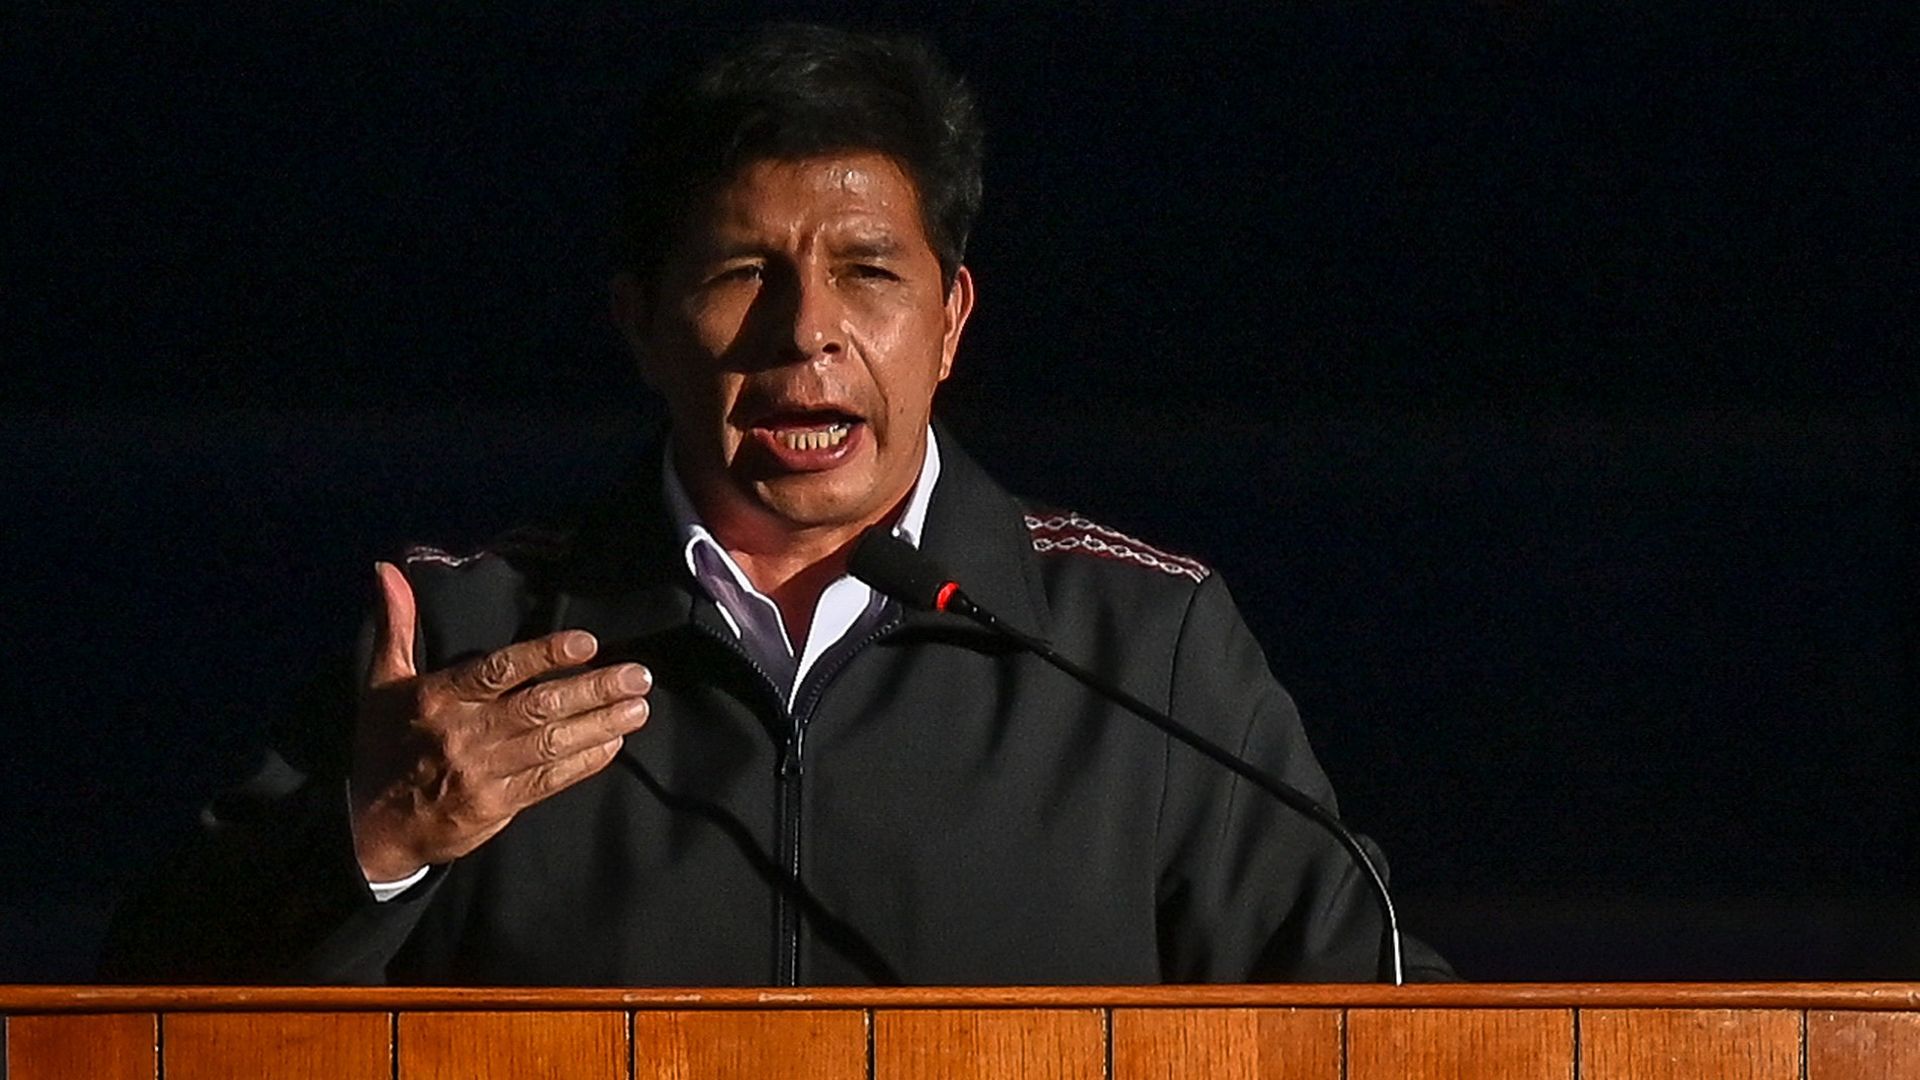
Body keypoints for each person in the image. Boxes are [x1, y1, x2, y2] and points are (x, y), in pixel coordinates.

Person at [101, 23, 1451, 985]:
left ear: (950, 321)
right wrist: (380, 834)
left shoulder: (1140, 643)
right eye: (744, 272)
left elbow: (1386, 1015)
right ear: (639, 322)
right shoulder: (464, 639)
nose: (808, 334)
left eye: (869, 272)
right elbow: (137, 1018)